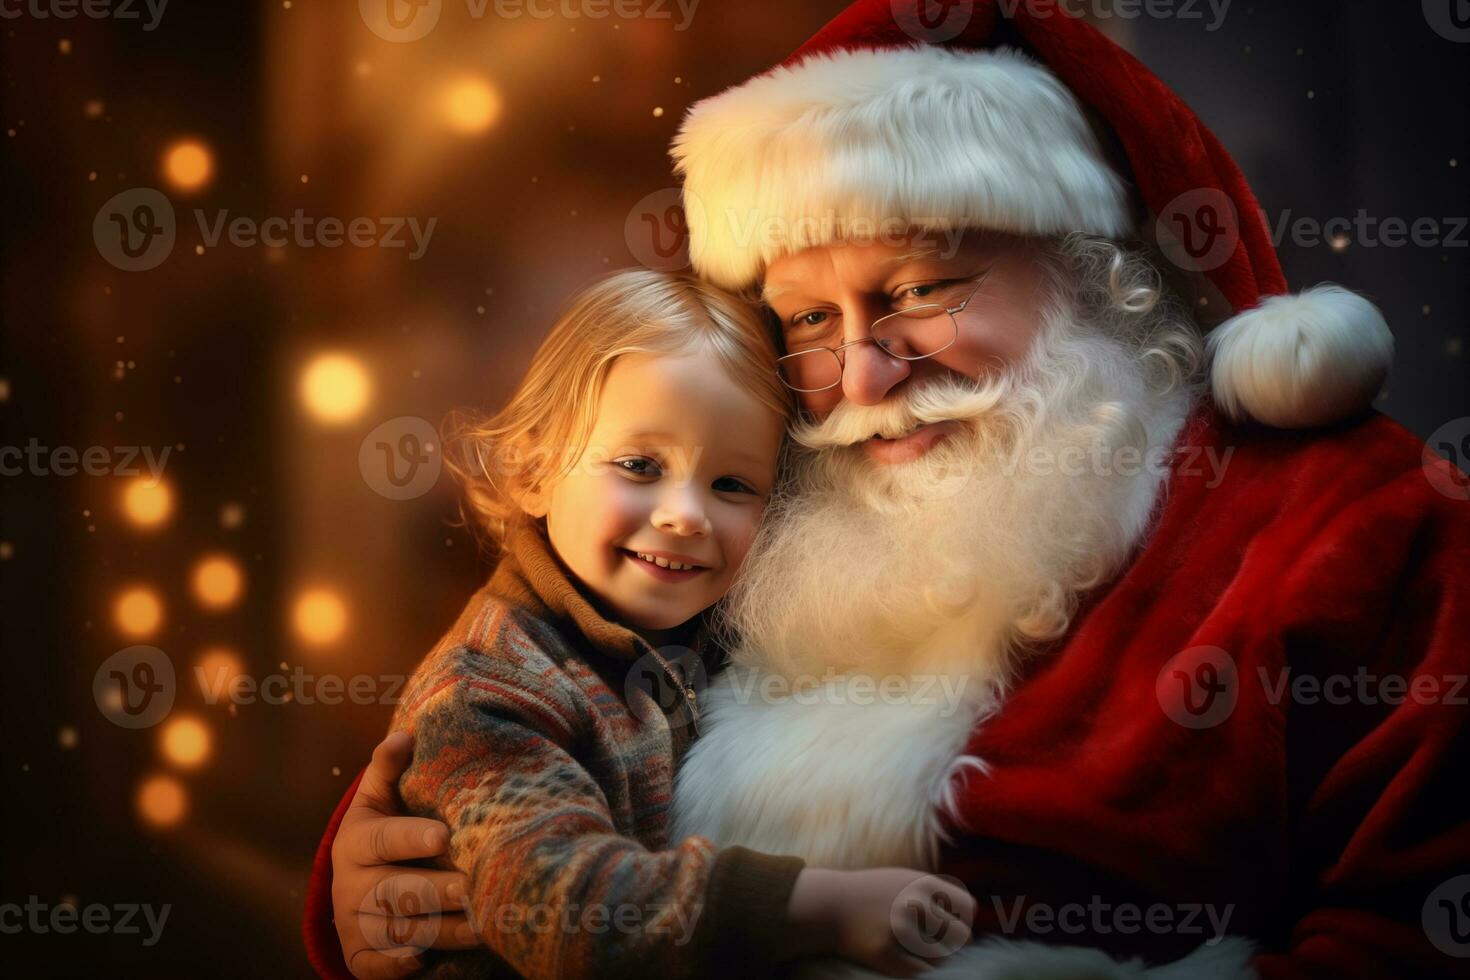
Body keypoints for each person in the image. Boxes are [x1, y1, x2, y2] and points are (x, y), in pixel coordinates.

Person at [307, 3, 1470, 978]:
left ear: (1093, 274)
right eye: (810, 319)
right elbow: (504, 745)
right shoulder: (750, 526)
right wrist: (371, 885)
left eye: (920, 288)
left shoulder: (1354, 526)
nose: (862, 375)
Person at [328, 268, 976, 980]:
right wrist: (814, 905)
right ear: (533, 470)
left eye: (732, 484)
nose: (686, 515)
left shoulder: (707, 625)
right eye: (640, 465)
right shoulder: (487, 691)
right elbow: (562, 908)